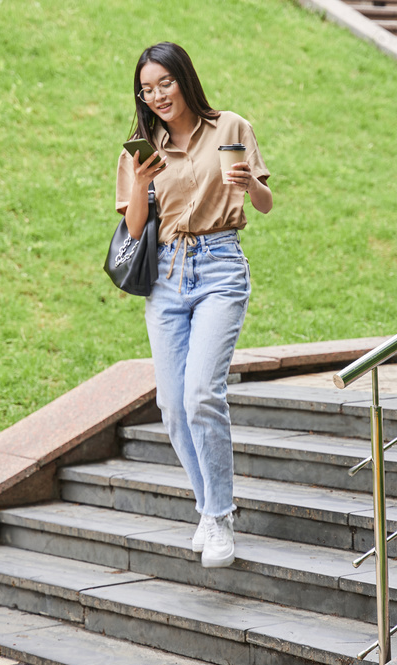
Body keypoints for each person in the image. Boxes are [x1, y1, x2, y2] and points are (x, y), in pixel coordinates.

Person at [115, 42, 272, 568]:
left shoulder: (230, 128)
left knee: (203, 393)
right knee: (171, 404)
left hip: (220, 266)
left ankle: (220, 516)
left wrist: (250, 183)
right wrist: (140, 183)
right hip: (165, 276)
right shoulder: (142, 146)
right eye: (147, 88)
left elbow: (266, 202)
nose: (157, 95)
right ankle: (209, 509)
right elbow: (135, 229)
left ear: (184, 79)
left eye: (165, 82)